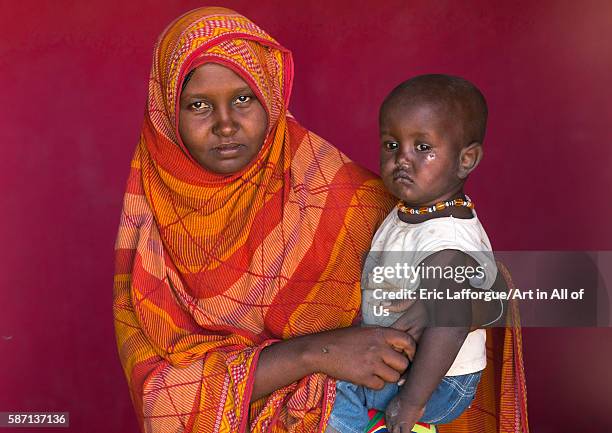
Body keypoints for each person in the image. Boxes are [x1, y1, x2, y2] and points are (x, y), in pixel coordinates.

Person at [113, 7, 529, 433]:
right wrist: (315, 353)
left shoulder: (339, 194)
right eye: (198, 104)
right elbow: (160, 400)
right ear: (166, 112)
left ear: (271, 97)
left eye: (243, 98)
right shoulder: (149, 232)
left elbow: (491, 284)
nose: (225, 124)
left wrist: (443, 304)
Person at [327, 75, 503, 433]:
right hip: (420, 365)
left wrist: (410, 404)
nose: (402, 159)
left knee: (328, 382)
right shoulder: (417, 210)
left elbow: (451, 325)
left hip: (438, 380)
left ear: (465, 159)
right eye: (392, 145)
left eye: (423, 148)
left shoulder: (447, 240)